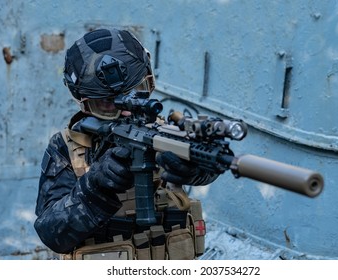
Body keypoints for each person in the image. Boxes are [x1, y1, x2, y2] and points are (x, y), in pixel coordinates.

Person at [34, 28, 218, 260]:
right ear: (84, 103)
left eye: (136, 91)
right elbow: (51, 233)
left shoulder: (164, 131)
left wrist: (199, 167)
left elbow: (204, 172)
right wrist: (95, 186)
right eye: (107, 104)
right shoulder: (69, 146)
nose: (126, 109)